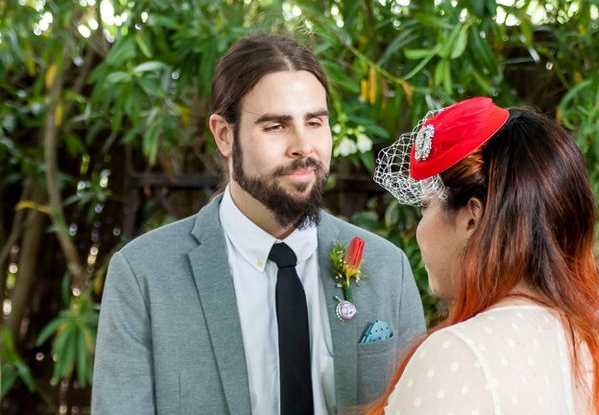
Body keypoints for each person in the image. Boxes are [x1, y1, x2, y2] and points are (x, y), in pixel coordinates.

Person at [91, 33, 426, 415]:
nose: (303, 146)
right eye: (276, 126)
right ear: (224, 135)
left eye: (315, 122)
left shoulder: (386, 269)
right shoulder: (144, 275)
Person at [370, 97, 599, 414]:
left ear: (471, 219)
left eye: (425, 207)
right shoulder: (587, 350)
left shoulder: (457, 353)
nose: (420, 230)